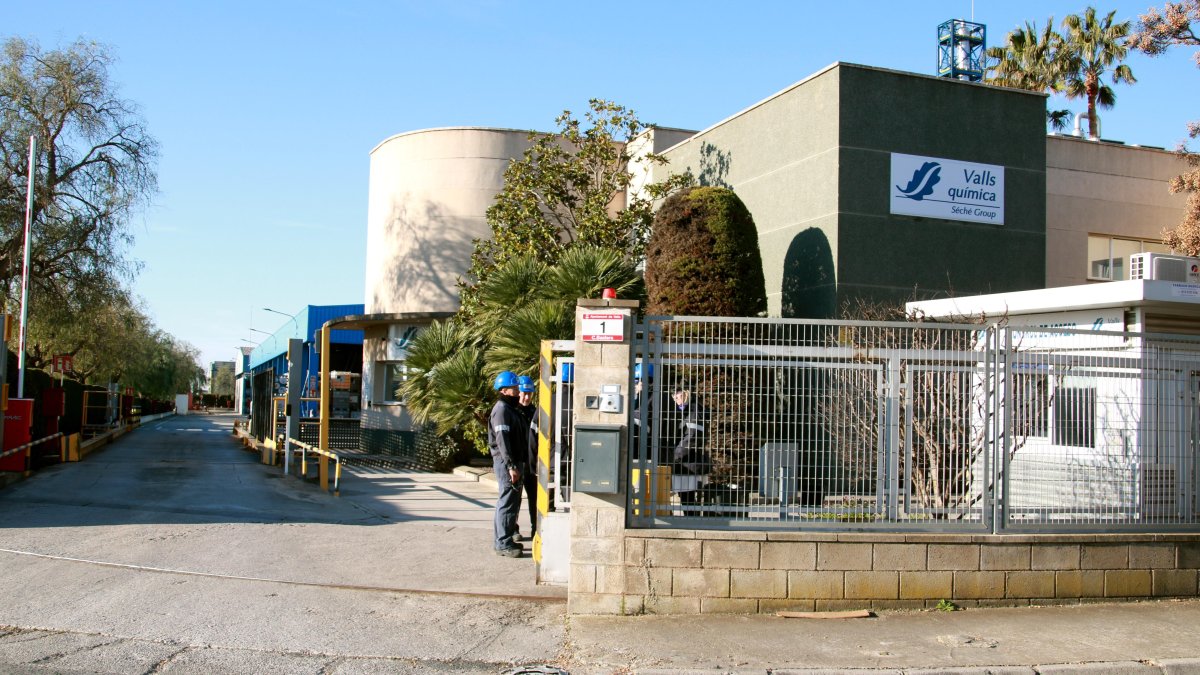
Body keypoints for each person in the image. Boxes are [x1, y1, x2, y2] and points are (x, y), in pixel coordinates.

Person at [488, 370, 526, 557]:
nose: (518, 390)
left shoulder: (510, 409)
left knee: (511, 501)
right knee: (507, 501)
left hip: (512, 462)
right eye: (515, 387)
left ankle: (505, 539)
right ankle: (503, 543)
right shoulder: (502, 410)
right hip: (506, 463)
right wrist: (511, 466)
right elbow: (503, 440)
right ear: (504, 390)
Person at [667, 385, 710, 514]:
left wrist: (676, 454)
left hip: (688, 461)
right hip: (687, 461)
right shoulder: (685, 409)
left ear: (686, 393)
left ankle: (691, 521)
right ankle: (691, 519)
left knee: (688, 497)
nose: (675, 397)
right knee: (686, 497)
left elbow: (692, 436)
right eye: (673, 395)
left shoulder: (693, 409)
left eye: (678, 394)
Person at [516, 374, 539, 542]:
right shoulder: (511, 411)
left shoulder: (535, 412)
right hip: (517, 461)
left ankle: (535, 528)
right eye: (524, 393)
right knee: (514, 498)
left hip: (531, 462)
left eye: (529, 393)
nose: (526, 397)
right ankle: (513, 529)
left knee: (534, 497)